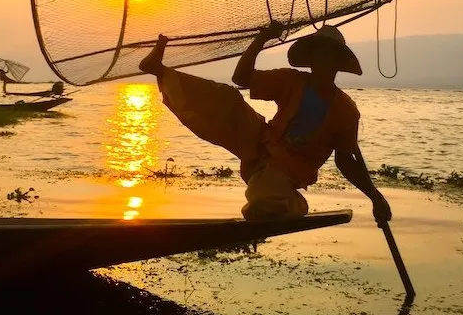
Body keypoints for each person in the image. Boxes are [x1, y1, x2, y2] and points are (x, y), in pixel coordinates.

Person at [139, 21, 391, 224]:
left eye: (328, 56)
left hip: (287, 170)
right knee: (226, 98)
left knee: (263, 201)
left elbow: (346, 160)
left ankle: (293, 203)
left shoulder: (345, 111)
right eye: (317, 55)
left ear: (337, 62)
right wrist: (261, 39)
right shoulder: (293, 81)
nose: (321, 62)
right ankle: (159, 70)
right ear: (311, 59)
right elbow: (241, 77)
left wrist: (375, 197)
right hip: (259, 141)